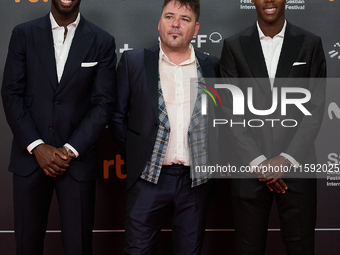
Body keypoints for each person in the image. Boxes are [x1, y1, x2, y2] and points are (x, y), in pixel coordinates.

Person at [1, 0, 116, 254]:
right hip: (29, 159)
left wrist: (70, 150)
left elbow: (103, 104)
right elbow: (11, 94)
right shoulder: (23, 34)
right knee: (26, 246)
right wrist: (37, 146)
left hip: (76, 162)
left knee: (79, 247)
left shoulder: (102, 40)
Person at [109, 0, 219, 254]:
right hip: (148, 180)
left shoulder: (211, 65)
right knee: (137, 251)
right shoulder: (134, 61)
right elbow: (116, 117)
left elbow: (220, 121)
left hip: (196, 181)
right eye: (169, 16)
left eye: (184, 19)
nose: (175, 24)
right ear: (159, 23)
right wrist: (140, 152)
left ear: (196, 28)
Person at [219, 0, 326, 254]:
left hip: (298, 167)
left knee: (301, 248)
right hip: (249, 168)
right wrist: (259, 162)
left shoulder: (311, 44)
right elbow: (230, 111)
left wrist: (286, 159)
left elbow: (316, 108)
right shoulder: (233, 46)